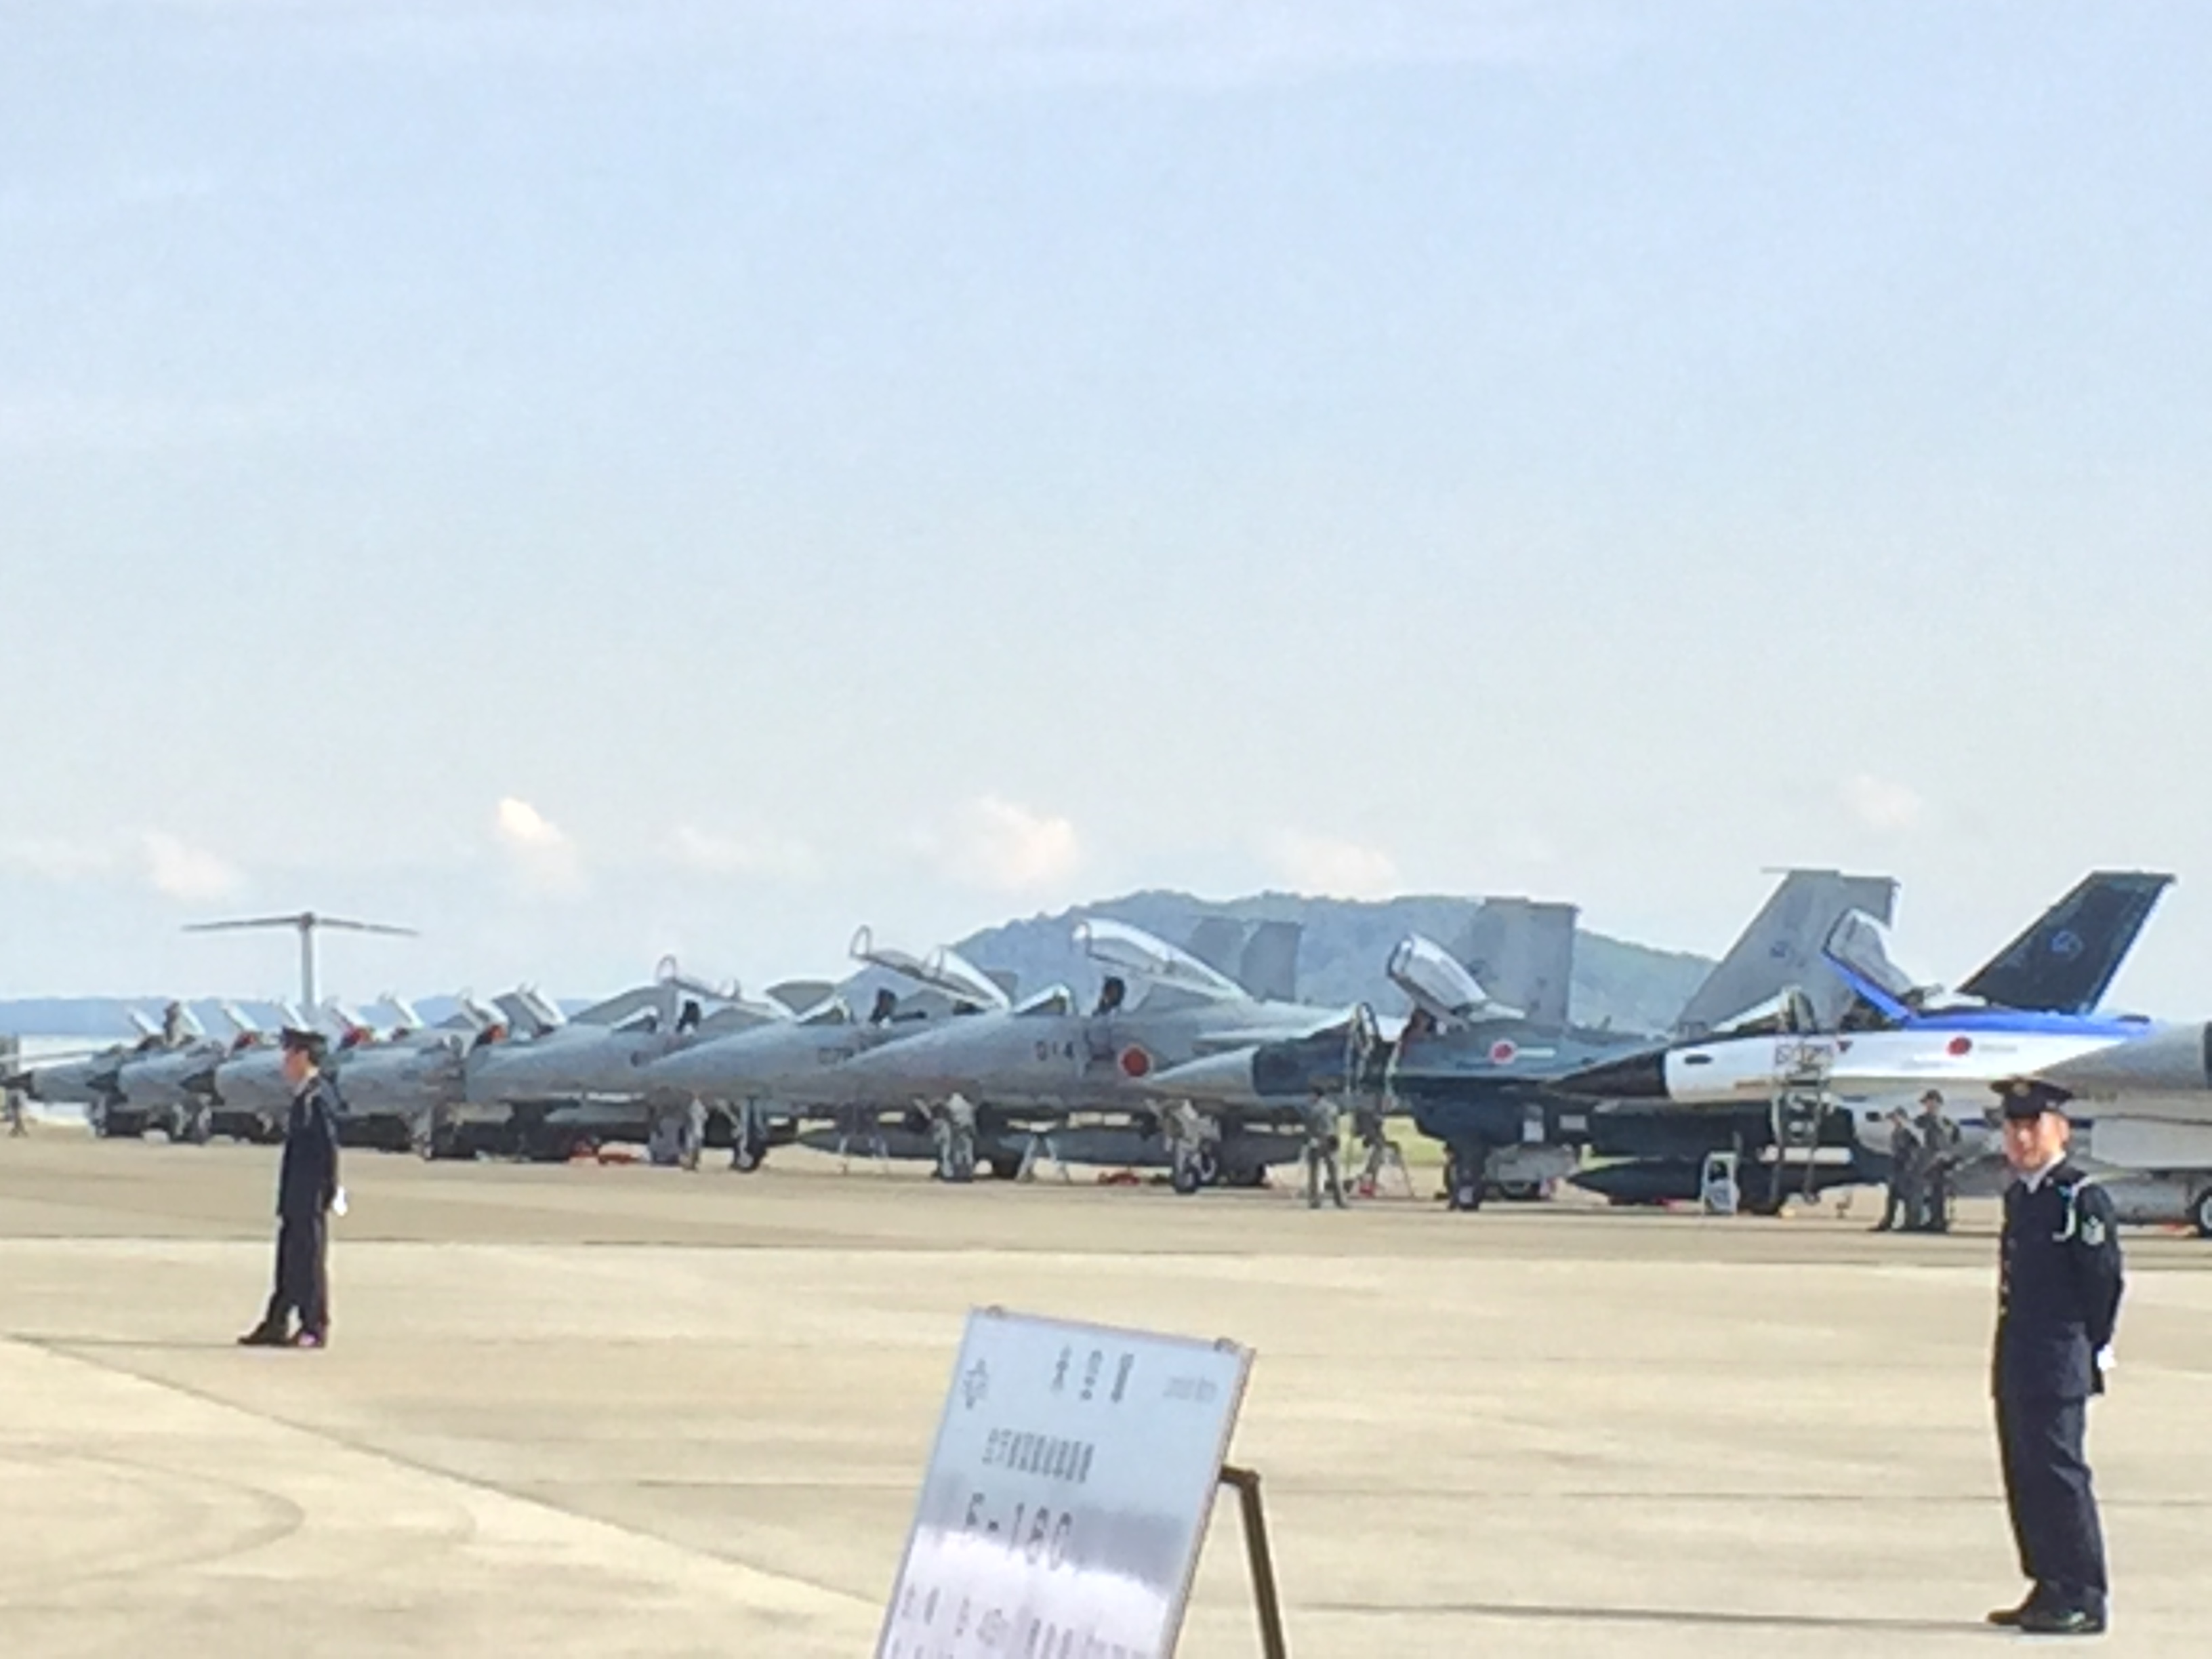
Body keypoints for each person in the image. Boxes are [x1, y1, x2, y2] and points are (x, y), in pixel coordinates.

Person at [1986, 1078, 2123, 1637]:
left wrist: (2090, 1347)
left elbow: (2103, 1283)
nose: (2022, 1137)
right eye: (2014, 1127)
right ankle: (2047, 1582)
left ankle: (2083, 1594)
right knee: (2026, 1475)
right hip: (2019, 1355)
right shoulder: (2023, 1196)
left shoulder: (2078, 1197)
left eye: (2033, 1126)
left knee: (2061, 1476)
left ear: (2061, 1130)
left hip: (2059, 1357)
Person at [237, 1028, 342, 1351]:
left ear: (303, 1057)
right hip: (295, 1195)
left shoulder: (317, 1097)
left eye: (290, 1054)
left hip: (310, 1195)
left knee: (308, 1262)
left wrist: (328, 1190)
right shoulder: (303, 1096)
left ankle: (314, 1326)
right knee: (289, 1262)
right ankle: (276, 1322)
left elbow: (327, 1148)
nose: (285, 1061)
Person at [1916, 1090, 1961, 1233]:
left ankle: (1940, 1221)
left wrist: (1951, 1158)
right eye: (1928, 1102)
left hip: (1943, 1164)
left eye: (1934, 1102)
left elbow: (1956, 1143)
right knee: (1926, 1194)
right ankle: (1927, 1220)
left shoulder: (1949, 1123)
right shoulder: (1919, 1122)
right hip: (1925, 1163)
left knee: (1942, 1194)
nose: (1931, 1105)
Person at [1875, 1109, 1923, 1232]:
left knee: (1907, 1198)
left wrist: (1909, 1167)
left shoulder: (1908, 1134)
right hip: (1897, 1169)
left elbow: (1914, 1151)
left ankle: (1910, 1223)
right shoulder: (1895, 1133)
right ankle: (1888, 1222)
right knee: (1893, 1197)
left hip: (1906, 1170)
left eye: (1896, 1117)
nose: (1894, 1120)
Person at [1300, 1088, 1346, 1210]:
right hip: (1331, 1140)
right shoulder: (1333, 1107)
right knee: (1334, 1173)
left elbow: (1309, 1126)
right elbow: (1336, 1124)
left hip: (1318, 1140)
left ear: (1316, 1095)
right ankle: (1340, 1200)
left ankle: (1315, 1200)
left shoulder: (1313, 1109)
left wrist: (1309, 1139)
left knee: (1315, 1173)